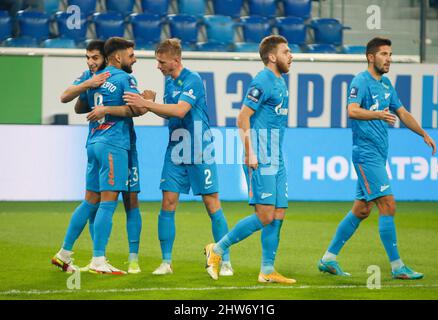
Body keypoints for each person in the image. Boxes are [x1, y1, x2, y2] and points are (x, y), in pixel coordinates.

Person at [318, 37, 437, 280]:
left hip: (378, 155)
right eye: (384, 54)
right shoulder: (360, 81)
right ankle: (397, 267)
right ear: (371, 57)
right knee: (388, 204)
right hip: (366, 153)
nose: (389, 59)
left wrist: (423, 133)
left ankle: (328, 259)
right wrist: (377, 115)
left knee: (361, 210)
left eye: (390, 54)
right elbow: (351, 110)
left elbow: (402, 112)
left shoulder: (386, 85)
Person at [123, 38, 233, 277]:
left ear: (176, 60)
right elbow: (170, 112)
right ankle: (166, 262)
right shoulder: (169, 82)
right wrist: (148, 104)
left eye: (161, 62)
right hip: (175, 150)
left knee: (211, 204)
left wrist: (147, 104)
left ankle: (225, 261)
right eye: (157, 61)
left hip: (199, 149)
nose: (158, 66)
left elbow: (181, 110)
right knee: (167, 203)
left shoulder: (192, 79)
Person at [202, 35, 295, 283]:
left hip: (277, 156)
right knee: (264, 215)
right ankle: (217, 249)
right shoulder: (262, 80)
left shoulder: (280, 82)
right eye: (286, 52)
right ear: (272, 56)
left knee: (278, 213)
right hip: (261, 156)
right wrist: (249, 152)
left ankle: (267, 270)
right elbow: (242, 118)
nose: (291, 55)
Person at [52, 37, 144, 275]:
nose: (91, 62)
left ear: (104, 57)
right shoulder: (123, 78)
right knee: (108, 202)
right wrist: (149, 100)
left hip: (93, 143)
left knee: (90, 199)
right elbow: (137, 109)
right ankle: (98, 260)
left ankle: (64, 254)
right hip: (113, 144)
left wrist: (92, 90)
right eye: (88, 58)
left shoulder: (95, 80)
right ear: (117, 56)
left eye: (94, 57)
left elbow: (77, 106)